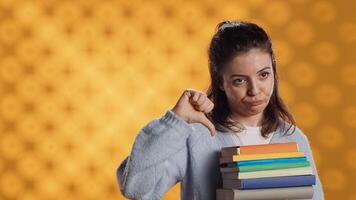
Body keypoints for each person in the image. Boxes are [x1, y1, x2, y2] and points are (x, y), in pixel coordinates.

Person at [116, 20, 324, 200]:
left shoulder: (294, 139)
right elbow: (136, 189)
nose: (255, 91)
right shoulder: (195, 137)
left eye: (263, 75)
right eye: (239, 80)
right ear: (220, 82)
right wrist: (175, 121)